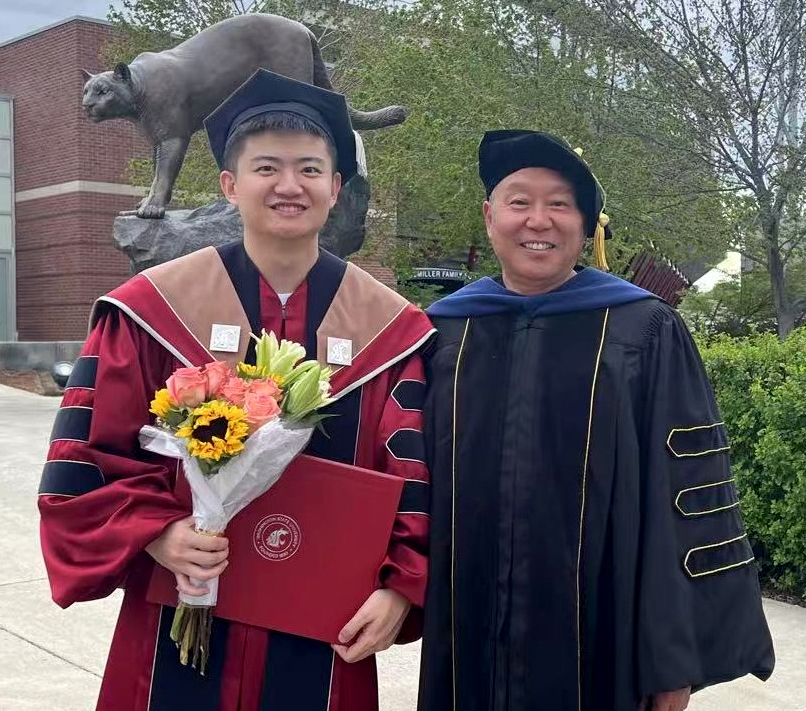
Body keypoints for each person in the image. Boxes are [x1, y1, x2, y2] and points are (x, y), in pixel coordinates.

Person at [38, 69, 434, 711]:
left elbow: (418, 475)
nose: (288, 186)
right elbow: (85, 462)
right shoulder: (150, 309)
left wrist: (400, 588)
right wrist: (157, 533)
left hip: (324, 633)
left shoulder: (391, 330)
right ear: (229, 185)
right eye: (266, 168)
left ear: (336, 188)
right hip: (178, 604)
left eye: (309, 170)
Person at [417, 130, 774, 711]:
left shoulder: (644, 330)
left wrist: (672, 662)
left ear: (587, 226)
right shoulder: (444, 331)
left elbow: (684, 503)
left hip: (604, 642)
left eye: (560, 204)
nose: (539, 220)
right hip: (467, 637)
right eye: (519, 202)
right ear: (489, 216)